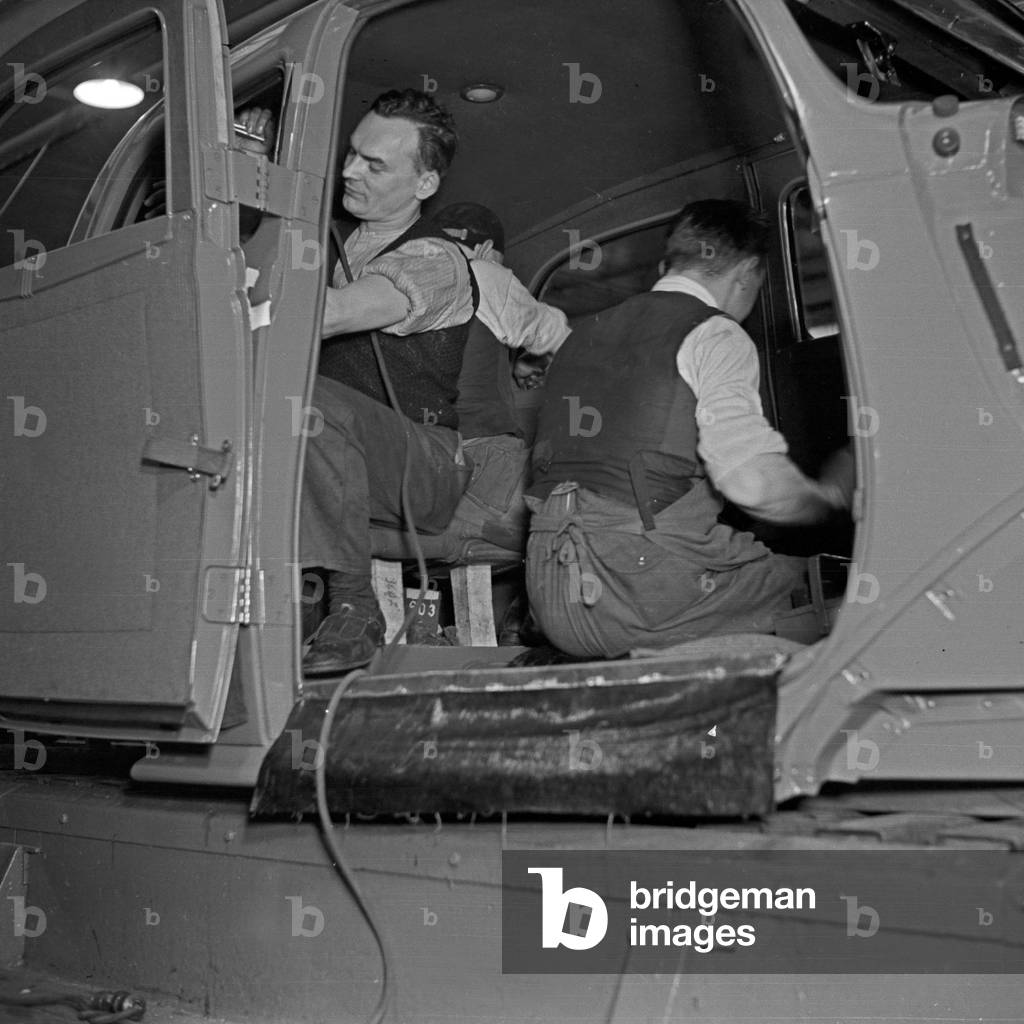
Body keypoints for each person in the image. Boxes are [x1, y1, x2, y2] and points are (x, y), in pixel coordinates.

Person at [524, 198, 854, 659]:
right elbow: (752, 483)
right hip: (636, 587)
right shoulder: (715, 335)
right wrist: (829, 500)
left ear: (668, 264)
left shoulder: (581, 336)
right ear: (749, 273)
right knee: (827, 590)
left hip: (549, 585)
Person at [293, 89, 486, 674]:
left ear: (424, 184)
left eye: (375, 164)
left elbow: (326, 315)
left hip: (423, 464)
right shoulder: (316, 242)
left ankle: (356, 610)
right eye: (351, 153)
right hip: (330, 456)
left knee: (305, 406)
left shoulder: (435, 259)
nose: (350, 170)